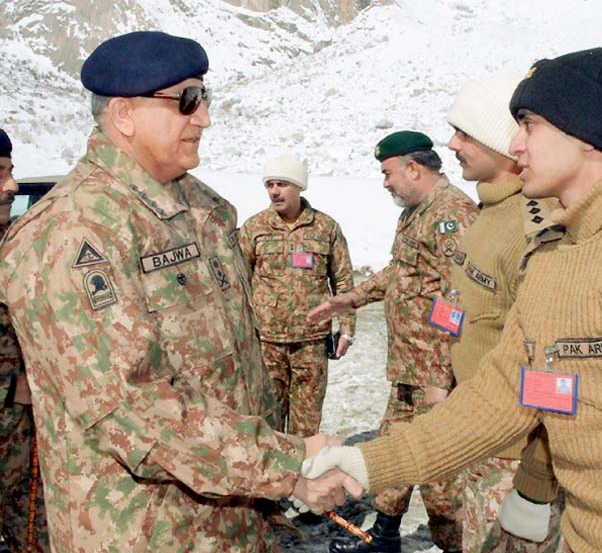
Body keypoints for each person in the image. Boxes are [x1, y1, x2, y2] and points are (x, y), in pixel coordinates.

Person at [301, 48, 602, 553]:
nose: (515, 144)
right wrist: (371, 462)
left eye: (528, 124)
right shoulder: (556, 252)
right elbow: (502, 394)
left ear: (581, 134)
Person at [0, 31, 359, 552]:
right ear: (124, 114)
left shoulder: (203, 210)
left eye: (205, 98)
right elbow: (132, 408)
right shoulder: (72, 232)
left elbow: (234, 373)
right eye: (187, 101)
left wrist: (278, 477)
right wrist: (286, 462)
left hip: (235, 522)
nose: (205, 118)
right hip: (149, 531)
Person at [308, 130, 477, 553]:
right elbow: (399, 271)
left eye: (387, 173)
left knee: (439, 471)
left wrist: (441, 375)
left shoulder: (452, 215)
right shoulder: (415, 213)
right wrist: (352, 297)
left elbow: (457, 300)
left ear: (413, 168)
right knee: (392, 449)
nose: (384, 183)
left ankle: (455, 544)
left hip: (434, 373)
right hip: (408, 366)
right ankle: (384, 537)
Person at [445, 74, 563, 553]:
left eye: (465, 134)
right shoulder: (490, 215)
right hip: (480, 439)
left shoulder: (532, 227)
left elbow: (556, 368)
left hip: (513, 460)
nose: (451, 143)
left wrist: (536, 476)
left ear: (501, 142)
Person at [239, 155, 356, 438]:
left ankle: (306, 477)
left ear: (299, 186)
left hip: (311, 343)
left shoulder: (325, 228)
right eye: (270, 184)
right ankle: (275, 480)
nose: (275, 191)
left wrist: (348, 329)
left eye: (282, 184)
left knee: (307, 426)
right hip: (267, 343)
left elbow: (343, 280)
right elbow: (238, 280)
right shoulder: (255, 228)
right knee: (268, 424)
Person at [0, 129, 49, 552]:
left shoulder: (19, 244)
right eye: (0, 174)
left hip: (25, 430)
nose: (12, 186)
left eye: (11, 172)